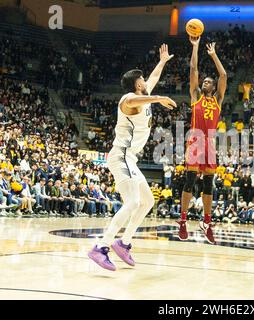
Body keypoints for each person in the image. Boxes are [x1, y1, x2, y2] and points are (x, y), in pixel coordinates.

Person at [88, 44, 177, 271]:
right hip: (120, 157)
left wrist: (163, 61)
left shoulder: (144, 96)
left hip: (131, 159)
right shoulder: (128, 99)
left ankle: (124, 242)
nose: (146, 81)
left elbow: (154, 78)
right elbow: (134, 102)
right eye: (143, 80)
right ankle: (101, 246)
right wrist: (159, 98)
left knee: (147, 201)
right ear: (137, 84)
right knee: (133, 202)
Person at [177, 35, 227, 245]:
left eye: (208, 81)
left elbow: (223, 74)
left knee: (209, 185)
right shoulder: (196, 95)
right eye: (203, 81)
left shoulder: (218, 99)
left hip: (210, 143)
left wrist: (214, 55)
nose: (204, 82)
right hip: (196, 141)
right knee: (190, 181)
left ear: (213, 87)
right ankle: (182, 220)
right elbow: (193, 70)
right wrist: (195, 47)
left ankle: (207, 223)